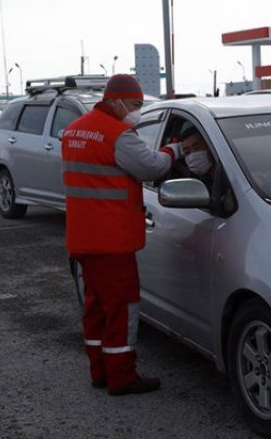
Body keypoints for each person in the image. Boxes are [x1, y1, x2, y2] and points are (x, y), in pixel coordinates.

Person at [61, 74, 180, 396]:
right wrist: (175, 150)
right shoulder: (117, 134)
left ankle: (99, 371)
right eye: (135, 104)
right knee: (122, 309)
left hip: (83, 238)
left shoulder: (75, 131)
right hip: (111, 240)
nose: (137, 111)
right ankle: (122, 377)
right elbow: (152, 168)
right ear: (116, 100)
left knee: (97, 308)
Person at [179, 125, 215, 190]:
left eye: (197, 148)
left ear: (209, 147)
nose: (192, 155)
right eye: (187, 152)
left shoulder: (229, 174)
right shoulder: (189, 185)